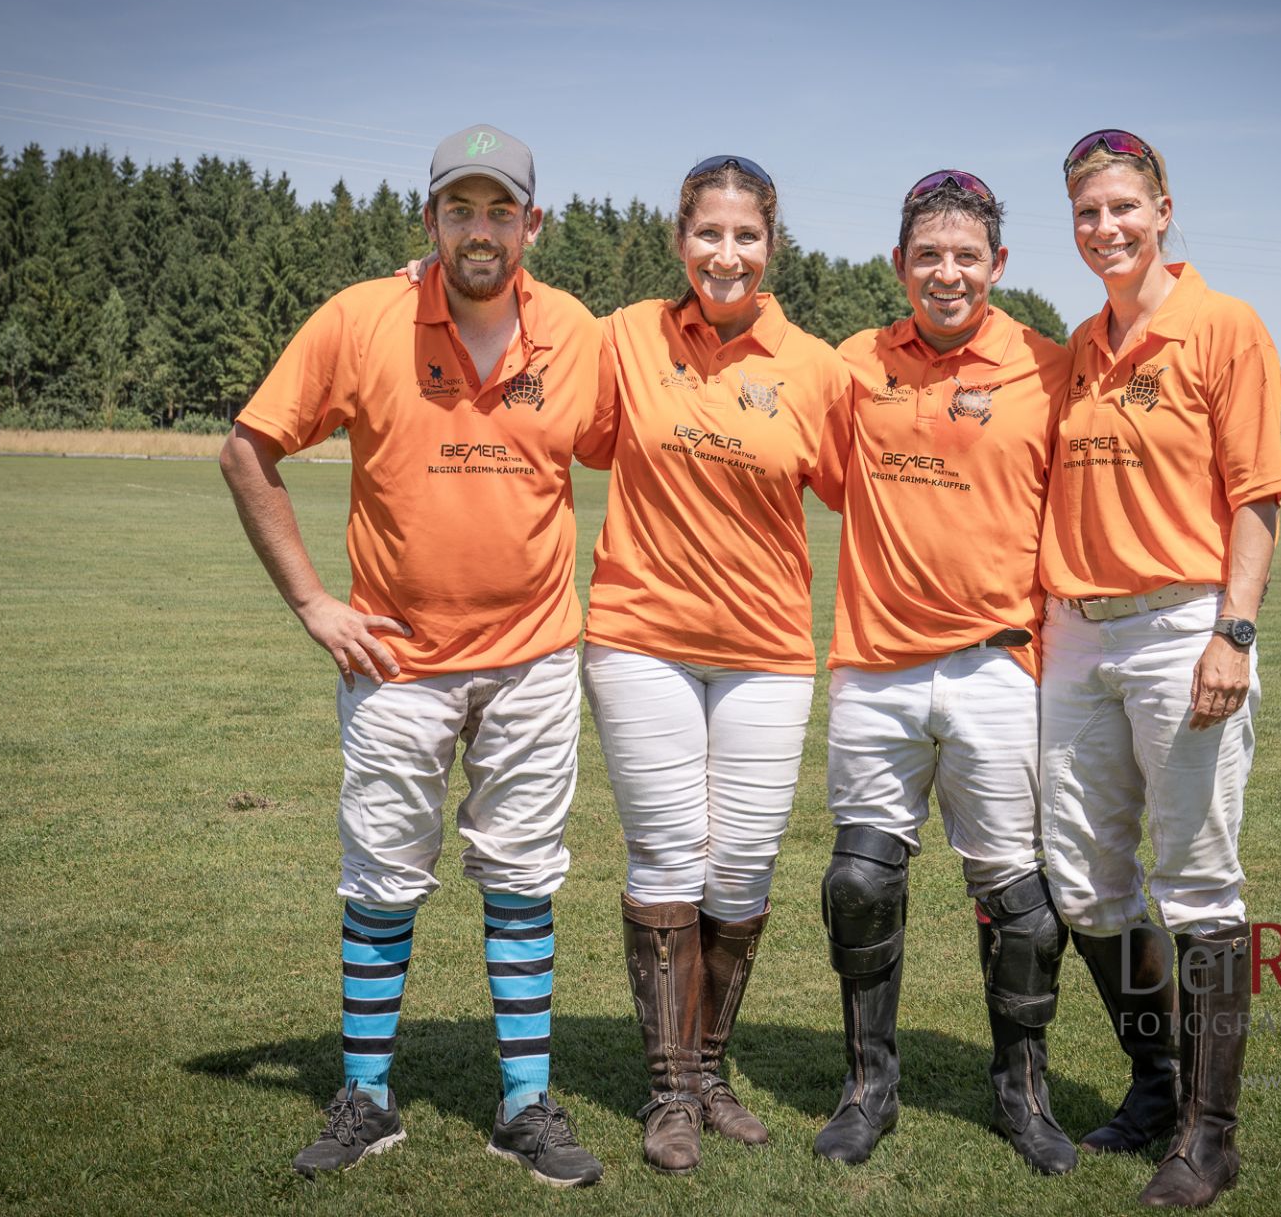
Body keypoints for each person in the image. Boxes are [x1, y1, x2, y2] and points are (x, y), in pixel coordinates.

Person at [219, 124, 615, 1189]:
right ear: (429, 217)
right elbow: (247, 450)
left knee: (522, 878)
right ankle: (366, 1096)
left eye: (500, 211)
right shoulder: (361, 318)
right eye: (460, 209)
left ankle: (526, 1105)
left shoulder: (576, 331)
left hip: (534, 655)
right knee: (382, 880)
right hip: (397, 659)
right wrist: (314, 603)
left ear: (533, 223)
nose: (480, 230)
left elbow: (641, 439)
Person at [582, 154, 851, 1173]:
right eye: (708, 233)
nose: (725, 254)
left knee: (741, 864)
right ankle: (668, 1094)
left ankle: (708, 1073)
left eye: (746, 236)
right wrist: (420, 283)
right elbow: (535, 366)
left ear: (772, 245)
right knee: (666, 855)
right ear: (679, 238)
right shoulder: (624, 336)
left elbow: (863, 488)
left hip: (767, 650)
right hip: (640, 635)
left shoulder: (815, 367)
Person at [1038, 130, 1281, 1209]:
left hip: (1183, 624)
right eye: (1088, 213)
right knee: (1083, 880)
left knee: (1196, 881)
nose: (1107, 228)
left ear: (1164, 210)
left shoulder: (1224, 326)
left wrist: (1234, 632)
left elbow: (1257, 494)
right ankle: (1156, 1082)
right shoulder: (1080, 345)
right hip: (1077, 630)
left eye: (1124, 208)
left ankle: (1210, 1136)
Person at [813, 170, 1075, 1174]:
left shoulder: (1046, 367)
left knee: (1019, 901)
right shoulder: (852, 363)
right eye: (928, 254)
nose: (948, 272)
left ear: (998, 264)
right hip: (876, 665)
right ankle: (867, 1088)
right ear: (899, 264)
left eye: (967, 255)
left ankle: (1023, 1093)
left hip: (997, 666)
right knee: (859, 880)